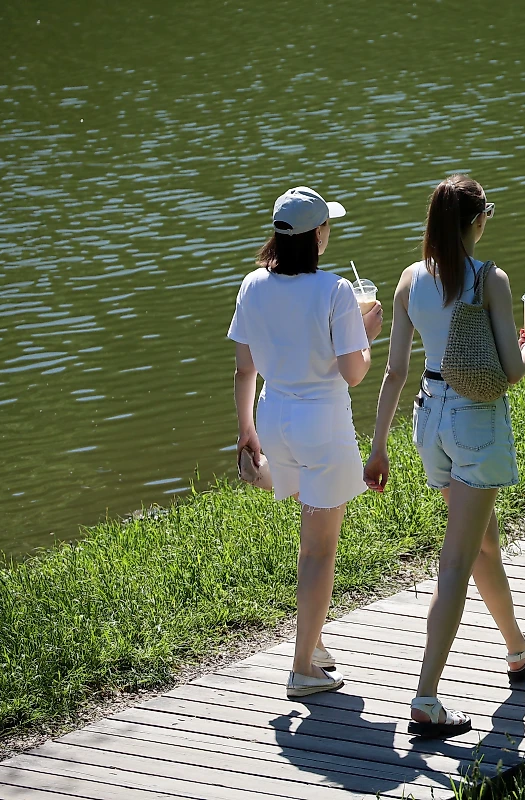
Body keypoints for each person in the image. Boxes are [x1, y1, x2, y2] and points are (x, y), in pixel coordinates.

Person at [364, 174, 525, 738]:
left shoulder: (407, 282)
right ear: (477, 221)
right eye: (486, 214)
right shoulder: (488, 279)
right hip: (475, 421)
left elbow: (397, 370)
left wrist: (378, 446)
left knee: (482, 542)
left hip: (429, 421)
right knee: (456, 558)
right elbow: (509, 370)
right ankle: (426, 698)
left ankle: (518, 649)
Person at [229, 186, 383, 698]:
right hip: (324, 426)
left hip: (275, 418)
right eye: (327, 226)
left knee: (308, 539)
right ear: (318, 235)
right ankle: (302, 669)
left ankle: (311, 643)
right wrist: (368, 334)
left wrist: (247, 429)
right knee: (320, 550)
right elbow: (353, 372)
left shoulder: (252, 285)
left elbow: (244, 368)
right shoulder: (335, 290)